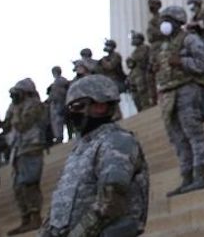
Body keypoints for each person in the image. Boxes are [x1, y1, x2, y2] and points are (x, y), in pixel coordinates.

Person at [39, 75, 149, 237]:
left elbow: (111, 201)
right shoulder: (80, 150)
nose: (72, 113)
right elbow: (60, 206)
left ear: (100, 106)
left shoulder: (116, 141)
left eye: (77, 107)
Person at [152, 4, 204, 196]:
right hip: (168, 95)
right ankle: (187, 178)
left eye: (167, 20)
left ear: (177, 22)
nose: (163, 24)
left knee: (193, 134)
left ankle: (201, 175)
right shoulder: (164, 45)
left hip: (188, 90)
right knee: (177, 139)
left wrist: (182, 62)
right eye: (163, 20)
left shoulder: (189, 39)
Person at [2, 78, 45, 234]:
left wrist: (14, 112)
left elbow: (22, 125)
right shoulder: (15, 106)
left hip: (31, 147)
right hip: (18, 149)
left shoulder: (34, 105)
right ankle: (25, 217)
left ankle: (35, 217)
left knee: (29, 183)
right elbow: (6, 124)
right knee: (18, 186)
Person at [126, 31, 157, 112]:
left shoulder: (145, 48)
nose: (133, 40)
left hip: (144, 76)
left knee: (146, 96)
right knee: (138, 98)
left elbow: (145, 60)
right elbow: (132, 66)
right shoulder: (134, 52)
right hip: (136, 78)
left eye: (135, 38)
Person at [46, 66, 71, 145]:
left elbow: (61, 92)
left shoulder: (61, 81)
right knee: (57, 122)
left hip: (61, 103)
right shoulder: (57, 82)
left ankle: (62, 137)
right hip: (56, 103)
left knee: (61, 121)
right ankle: (59, 137)